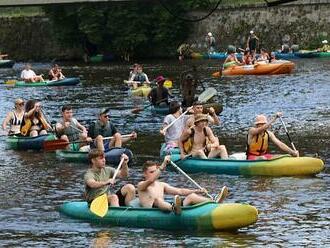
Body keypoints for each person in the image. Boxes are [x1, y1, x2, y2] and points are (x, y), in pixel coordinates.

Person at [132, 156, 228, 214]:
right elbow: (151, 180)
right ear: (145, 173)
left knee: (191, 196)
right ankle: (173, 208)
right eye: (151, 172)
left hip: (168, 208)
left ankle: (213, 201)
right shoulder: (141, 185)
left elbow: (180, 191)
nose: (154, 173)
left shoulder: (161, 184)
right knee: (157, 200)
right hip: (153, 211)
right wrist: (162, 166)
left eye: (155, 171)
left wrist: (196, 191)